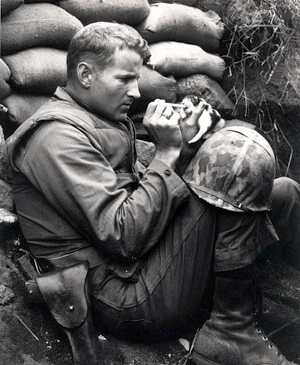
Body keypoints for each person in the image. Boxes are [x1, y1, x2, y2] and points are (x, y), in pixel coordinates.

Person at [5, 22, 300, 365]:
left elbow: (149, 203)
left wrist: (186, 149)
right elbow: (124, 236)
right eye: (124, 79)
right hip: (123, 296)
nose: (135, 92)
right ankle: (230, 333)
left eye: (137, 79)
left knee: (284, 194)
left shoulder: (101, 121)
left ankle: (259, 305)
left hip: (143, 267)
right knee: (234, 158)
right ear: (85, 74)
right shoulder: (54, 136)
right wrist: (166, 153)